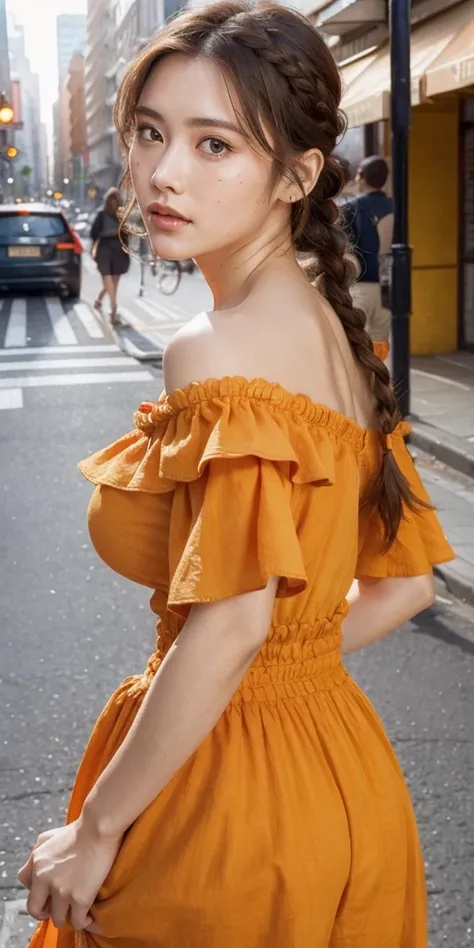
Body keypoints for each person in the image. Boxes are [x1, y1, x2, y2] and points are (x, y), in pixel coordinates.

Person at [20, 3, 454, 946]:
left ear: (297, 174)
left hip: (230, 803)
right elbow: (404, 583)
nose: (162, 173)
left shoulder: (214, 349)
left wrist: (97, 832)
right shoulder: (337, 337)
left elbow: (231, 622)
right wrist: (284, 672)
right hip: (344, 779)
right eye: (149, 133)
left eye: (214, 145)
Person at [341, 155, 394, 345]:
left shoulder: (350, 209)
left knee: (355, 346)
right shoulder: (396, 208)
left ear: (360, 175)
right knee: (381, 345)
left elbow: (342, 248)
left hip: (358, 286)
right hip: (388, 288)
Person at [90, 187, 130, 325]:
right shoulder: (123, 215)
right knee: (113, 283)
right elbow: (127, 235)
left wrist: (92, 249)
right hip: (119, 249)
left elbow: (94, 234)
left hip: (105, 249)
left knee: (108, 281)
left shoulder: (101, 215)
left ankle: (106, 304)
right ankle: (113, 308)